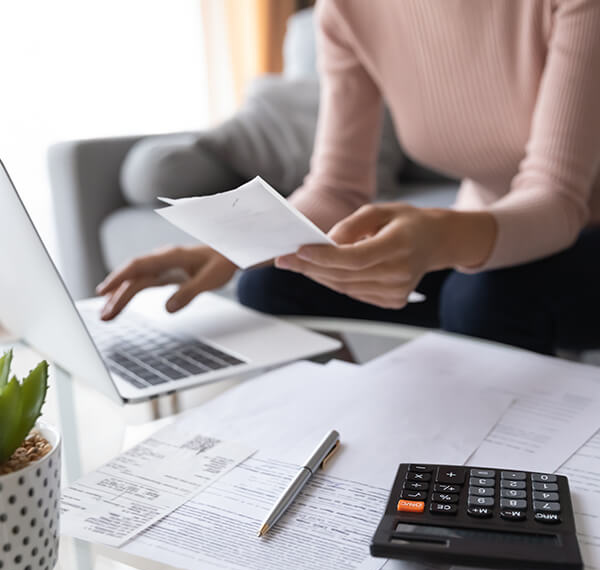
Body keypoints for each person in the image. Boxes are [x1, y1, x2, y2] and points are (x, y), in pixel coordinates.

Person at [97, 0, 600, 356]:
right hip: (487, 234)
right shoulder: (347, 10)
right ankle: (352, 453)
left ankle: (505, 485)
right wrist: (231, 248)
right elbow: (337, 188)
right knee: (273, 282)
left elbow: (556, 196)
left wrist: (443, 237)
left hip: (580, 229)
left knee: (484, 295)